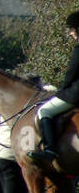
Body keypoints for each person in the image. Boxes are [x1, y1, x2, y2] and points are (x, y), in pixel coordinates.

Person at [28, 10, 79, 165]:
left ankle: (50, 150)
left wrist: (62, 90)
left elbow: (71, 74)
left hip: (76, 93)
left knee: (44, 111)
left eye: (72, 29)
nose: (70, 33)